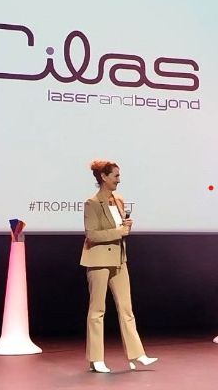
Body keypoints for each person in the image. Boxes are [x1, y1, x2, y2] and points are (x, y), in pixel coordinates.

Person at [80, 160, 158, 373]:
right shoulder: (92, 203)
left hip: (119, 259)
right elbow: (92, 234)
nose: (119, 180)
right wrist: (118, 232)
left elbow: (119, 228)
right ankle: (96, 359)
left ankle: (137, 354)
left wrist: (126, 226)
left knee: (126, 309)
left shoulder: (118, 200)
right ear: (104, 177)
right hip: (98, 260)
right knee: (97, 311)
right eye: (115, 176)